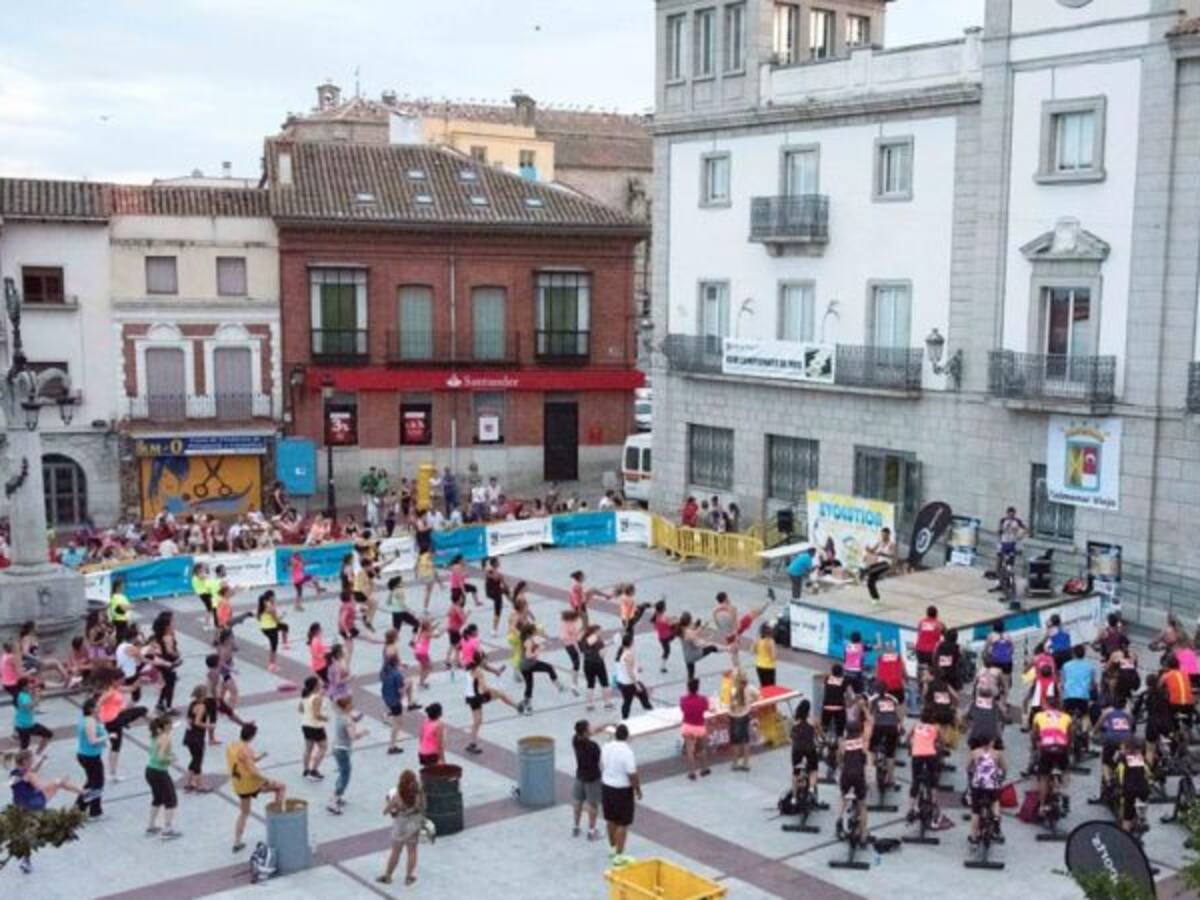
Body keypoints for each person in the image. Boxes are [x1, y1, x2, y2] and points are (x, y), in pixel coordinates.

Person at [227, 722, 287, 853]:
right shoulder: (246, 750)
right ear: (252, 736)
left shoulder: (232, 746)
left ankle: (237, 841)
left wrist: (260, 756)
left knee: (244, 812)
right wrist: (267, 779)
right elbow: (253, 771)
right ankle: (278, 819)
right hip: (252, 784)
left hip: (239, 785)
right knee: (281, 787)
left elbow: (245, 761)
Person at [464, 650, 520, 754]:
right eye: (485, 659)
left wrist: (496, 671)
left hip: (470, 697)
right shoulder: (479, 672)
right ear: (481, 660)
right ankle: (518, 707)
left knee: (477, 721)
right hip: (478, 696)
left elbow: (485, 667)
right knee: (501, 694)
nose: (487, 661)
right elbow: (484, 688)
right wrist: (493, 689)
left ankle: (472, 744)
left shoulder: (469, 667)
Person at [601, 724, 642, 865]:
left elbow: (603, 763)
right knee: (623, 823)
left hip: (607, 786)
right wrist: (637, 789)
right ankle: (619, 854)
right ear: (627, 736)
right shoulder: (627, 752)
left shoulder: (606, 747)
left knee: (610, 819)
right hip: (622, 790)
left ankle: (612, 848)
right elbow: (632, 774)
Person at [378, 770, 425, 886]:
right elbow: (422, 807)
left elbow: (385, 811)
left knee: (395, 851)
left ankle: (388, 876)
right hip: (413, 823)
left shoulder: (397, 795)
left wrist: (394, 809)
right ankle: (409, 877)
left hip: (400, 824)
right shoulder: (418, 793)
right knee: (412, 851)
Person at [327, 697, 368, 815]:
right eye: (350, 703)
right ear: (346, 706)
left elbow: (352, 718)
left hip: (336, 748)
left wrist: (358, 718)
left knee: (342, 772)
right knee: (345, 775)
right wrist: (363, 733)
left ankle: (338, 797)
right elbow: (353, 737)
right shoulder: (347, 720)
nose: (352, 705)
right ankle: (334, 800)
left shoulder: (341, 715)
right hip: (343, 750)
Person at [144, 713, 182, 839]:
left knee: (158, 798)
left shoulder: (155, 735)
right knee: (171, 799)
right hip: (159, 772)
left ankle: (151, 826)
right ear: (166, 726)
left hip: (150, 770)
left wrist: (168, 755)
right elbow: (160, 757)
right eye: (170, 724)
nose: (172, 726)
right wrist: (171, 759)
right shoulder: (165, 737)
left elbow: (153, 752)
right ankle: (167, 829)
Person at [1031, 695, 1072, 812]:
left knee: (1043, 777)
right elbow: (1070, 736)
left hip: (1046, 748)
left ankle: (1042, 805)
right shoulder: (1066, 717)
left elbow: (1034, 735)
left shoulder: (1039, 716)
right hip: (1061, 748)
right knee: (1065, 770)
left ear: (1046, 705)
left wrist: (1034, 746)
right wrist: (1068, 749)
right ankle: (1064, 793)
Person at [966, 735, 1006, 845]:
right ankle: (996, 818)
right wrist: (1002, 777)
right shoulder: (997, 754)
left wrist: (973, 773)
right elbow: (1004, 768)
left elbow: (968, 767)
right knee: (995, 801)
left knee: (975, 812)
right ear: (991, 742)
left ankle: (974, 837)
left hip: (978, 785)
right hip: (992, 785)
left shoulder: (974, 752)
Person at [519, 623, 564, 714]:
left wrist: (542, 643)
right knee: (549, 668)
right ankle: (559, 686)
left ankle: (528, 705)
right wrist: (538, 650)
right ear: (530, 632)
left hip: (524, 666)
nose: (536, 632)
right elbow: (528, 655)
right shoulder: (528, 641)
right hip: (529, 664)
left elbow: (539, 639)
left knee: (529, 685)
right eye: (534, 631)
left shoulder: (528, 639)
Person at [837, 720, 869, 843]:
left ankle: (839, 819)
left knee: (843, 797)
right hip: (859, 775)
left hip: (846, 774)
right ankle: (863, 834)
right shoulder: (863, 743)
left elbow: (840, 760)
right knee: (862, 805)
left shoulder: (843, 744)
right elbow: (866, 761)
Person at [75, 696, 107, 819]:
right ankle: (94, 811)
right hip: (90, 757)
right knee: (97, 783)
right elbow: (92, 741)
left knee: (91, 782)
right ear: (91, 709)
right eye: (97, 706)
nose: (100, 707)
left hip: (89, 755)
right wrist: (108, 737)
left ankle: (80, 807)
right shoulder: (89, 722)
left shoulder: (91, 719)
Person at [572, 719, 604, 840]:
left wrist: (606, 725)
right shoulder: (593, 747)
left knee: (578, 801)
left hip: (580, 775)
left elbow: (593, 732)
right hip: (593, 778)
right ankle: (591, 831)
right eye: (589, 728)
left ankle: (576, 827)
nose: (591, 729)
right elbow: (599, 763)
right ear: (585, 732)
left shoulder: (575, 740)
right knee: (593, 805)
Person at [906, 709, 942, 821]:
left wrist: (910, 746)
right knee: (933, 779)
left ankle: (911, 809)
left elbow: (908, 738)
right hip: (931, 755)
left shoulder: (915, 726)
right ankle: (934, 804)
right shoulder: (936, 728)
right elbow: (940, 741)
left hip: (917, 755)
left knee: (915, 781)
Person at [1114, 737, 1150, 835]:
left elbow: (1118, 772)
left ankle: (1125, 834)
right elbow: (1147, 772)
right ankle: (1141, 819)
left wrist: (1117, 756)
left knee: (1127, 813)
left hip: (1130, 790)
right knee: (1142, 802)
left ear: (1127, 749)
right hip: (1143, 789)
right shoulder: (1140, 758)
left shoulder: (1122, 758)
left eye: (1122, 748)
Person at [614, 632, 653, 720]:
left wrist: (636, 668)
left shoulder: (620, 652)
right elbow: (629, 671)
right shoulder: (629, 654)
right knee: (643, 697)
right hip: (629, 683)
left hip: (621, 681)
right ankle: (651, 712)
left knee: (627, 701)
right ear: (631, 642)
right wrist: (636, 684)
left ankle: (625, 718)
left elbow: (623, 666)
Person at [679, 678, 711, 780]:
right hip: (699, 727)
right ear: (698, 688)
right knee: (701, 749)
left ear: (688, 688)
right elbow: (707, 708)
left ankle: (692, 772)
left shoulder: (683, 699)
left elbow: (682, 709)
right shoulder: (703, 699)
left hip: (688, 726)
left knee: (690, 750)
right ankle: (704, 768)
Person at [790, 700, 822, 798]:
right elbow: (819, 734)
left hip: (796, 750)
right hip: (809, 748)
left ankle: (794, 797)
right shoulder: (813, 721)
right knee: (814, 769)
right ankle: (811, 788)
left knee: (795, 773)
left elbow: (791, 736)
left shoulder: (794, 721)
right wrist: (821, 740)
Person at [728, 669, 758, 771]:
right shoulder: (749, 688)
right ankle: (746, 763)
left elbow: (731, 706)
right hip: (744, 715)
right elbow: (758, 695)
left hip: (734, 717)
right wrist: (751, 701)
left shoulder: (733, 690)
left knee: (735, 741)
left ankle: (735, 762)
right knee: (745, 740)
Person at [299, 676, 329, 780]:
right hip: (316, 726)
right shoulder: (316, 698)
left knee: (308, 748)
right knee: (323, 747)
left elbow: (300, 709)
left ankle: (306, 769)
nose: (321, 683)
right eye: (319, 682)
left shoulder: (305, 695)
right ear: (316, 685)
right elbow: (317, 715)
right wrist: (325, 718)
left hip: (305, 724)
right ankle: (314, 770)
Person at [182, 684, 210, 793]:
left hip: (189, 735)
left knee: (194, 759)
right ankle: (199, 785)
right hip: (197, 736)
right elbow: (197, 722)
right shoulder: (201, 706)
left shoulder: (192, 704)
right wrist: (208, 726)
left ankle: (188, 782)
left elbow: (189, 719)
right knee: (198, 759)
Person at [12, 677, 52, 753]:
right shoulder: (24, 696)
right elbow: (29, 707)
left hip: (20, 724)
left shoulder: (22, 694)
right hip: (27, 725)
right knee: (48, 734)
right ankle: (38, 753)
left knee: (24, 746)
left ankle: (22, 758)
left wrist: (36, 693)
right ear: (24, 687)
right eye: (29, 684)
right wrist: (38, 698)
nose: (31, 685)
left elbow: (30, 700)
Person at [581, 624, 614, 711]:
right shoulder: (598, 640)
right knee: (604, 683)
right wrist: (605, 648)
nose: (601, 632)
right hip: (598, 663)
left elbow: (589, 647)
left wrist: (608, 643)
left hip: (587, 663)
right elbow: (601, 654)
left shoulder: (585, 639)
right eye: (600, 631)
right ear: (595, 631)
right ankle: (607, 703)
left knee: (590, 684)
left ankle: (589, 704)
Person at [257, 590, 289, 674]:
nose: (275, 597)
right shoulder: (270, 608)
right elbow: (277, 620)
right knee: (273, 647)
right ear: (271, 597)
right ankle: (272, 665)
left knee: (285, 627)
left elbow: (258, 618)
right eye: (274, 596)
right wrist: (283, 614)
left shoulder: (263, 605)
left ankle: (285, 644)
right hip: (271, 628)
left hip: (264, 628)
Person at [861, 528, 896, 603]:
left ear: (888, 535)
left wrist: (883, 554)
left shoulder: (891, 544)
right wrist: (868, 549)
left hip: (886, 563)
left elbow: (893, 556)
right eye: (882, 535)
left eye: (884, 535)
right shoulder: (879, 542)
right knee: (870, 581)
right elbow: (873, 551)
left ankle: (863, 572)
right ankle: (875, 598)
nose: (883, 537)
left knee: (870, 569)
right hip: (878, 563)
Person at [995, 506, 1027, 574]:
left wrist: (1021, 535)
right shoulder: (1003, 520)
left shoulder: (1017, 521)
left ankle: (1010, 572)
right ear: (1007, 513)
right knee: (1000, 557)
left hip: (1012, 542)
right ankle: (998, 572)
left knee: (1011, 558)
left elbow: (1025, 529)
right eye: (1009, 514)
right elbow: (999, 531)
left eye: (1012, 515)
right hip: (1003, 541)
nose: (1011, 516)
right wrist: (1000, 532)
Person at [914, 605, 944, 673]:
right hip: (931, 652)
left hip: (920, 650)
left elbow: (919, 632)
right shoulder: (939, 624)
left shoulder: (921, 622)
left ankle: (922, 678)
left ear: (927, 614)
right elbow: (946, 634)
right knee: (932, 671)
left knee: (922, 670)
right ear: (936, 614)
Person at [108, 576, 133, 643]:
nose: (123, 587)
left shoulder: (122, 596)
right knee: (121, 639)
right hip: (120, 622)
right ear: (118, 587)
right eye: (122, 586)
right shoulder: (115, 597)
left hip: (124, 621)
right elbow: (118, 609)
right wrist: (129, 606)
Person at [754, 622, 777, 688]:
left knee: (763, 685)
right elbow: (773, 657)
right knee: (771, 687)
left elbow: (753, 650)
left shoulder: (758, 640)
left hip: (759, 665)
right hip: (769, 667)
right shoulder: (771, 641)